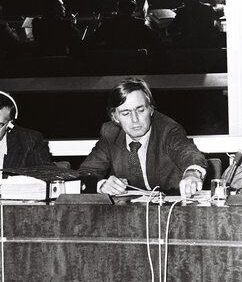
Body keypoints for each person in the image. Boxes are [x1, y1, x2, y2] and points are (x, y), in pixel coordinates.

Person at [79, 77, 207, 197]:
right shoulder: (110, 134)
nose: (135, 119)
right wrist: (101, 185)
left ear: (151, 109)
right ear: (115, 117)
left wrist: (192, 174)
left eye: (140, 110)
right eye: (125, 113)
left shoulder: (168, 130)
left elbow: (188, 154)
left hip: (170, 208)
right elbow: (85, 173)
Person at [87, 0, 164, 52]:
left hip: (113, 63)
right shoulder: (140, 24)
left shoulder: (108, 24)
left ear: (118, 8)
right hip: (135, 63)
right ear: (134, 10)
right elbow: (155, 41)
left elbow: (92, 40)